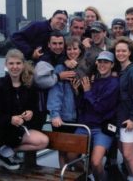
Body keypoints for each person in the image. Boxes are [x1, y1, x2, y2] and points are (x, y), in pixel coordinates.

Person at [0, 49, 49, 181]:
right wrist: (10, 119)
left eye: (18, 63)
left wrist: (30, 112)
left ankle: (6, 152)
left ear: (23, 65)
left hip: (8, 136)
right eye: (11, 63)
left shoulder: (27, 87)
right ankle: (1, 152)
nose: (15, 67)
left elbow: (33, 109)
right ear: (6, 65)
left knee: (43, 141)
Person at [72, 51, 119, 181]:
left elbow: (101, 108)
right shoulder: (92, 80)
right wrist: (78, 93)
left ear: (112, 65)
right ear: (97, 63)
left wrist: (87, 92)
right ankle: (91, 176)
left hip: (101, 128)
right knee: (71, 157)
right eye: (100, 62)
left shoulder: (114, 83)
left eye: (106, 62)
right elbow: (82, 106)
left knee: (97, 162)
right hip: (84, 126)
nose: (102, 65)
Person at [47, 38, 87, 168]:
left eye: (75, 48)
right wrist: (55, 114)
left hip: (80, 116)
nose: (72, 51)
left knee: (74, 153)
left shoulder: (86, 66)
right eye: (69, 49)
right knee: (62, 150)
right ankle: (63, 176)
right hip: (64, 115)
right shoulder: (61, 67)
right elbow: (56, 93)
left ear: (80, 50)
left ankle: (86, 173)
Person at [112, 37, 133, 181]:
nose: (120, 53)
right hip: (119, 118)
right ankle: (132, 177)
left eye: (123, 51)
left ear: (129, 52)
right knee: (122, 151)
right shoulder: (121, 70)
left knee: (128, 155)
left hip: (129, 119)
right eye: (117, 51)